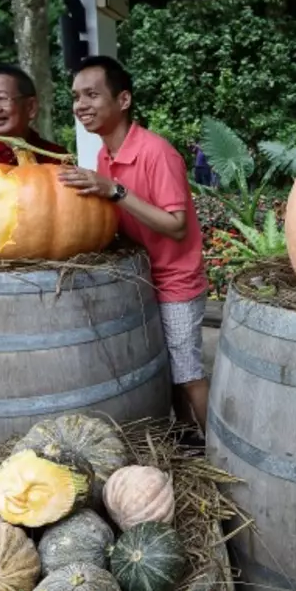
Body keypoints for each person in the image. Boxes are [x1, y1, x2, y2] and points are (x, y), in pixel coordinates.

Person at [58, 55, 211, 436]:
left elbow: (176, 227)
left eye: (92, 94)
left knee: (187, 374)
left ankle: (219, 454)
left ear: (123, 100)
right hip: (139, 280)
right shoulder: (102, 156)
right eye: (76, 96)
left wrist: (114, 190)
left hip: (174, 280)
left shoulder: (157, 153)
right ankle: (188, 439)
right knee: (167, 370)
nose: (81, 105)